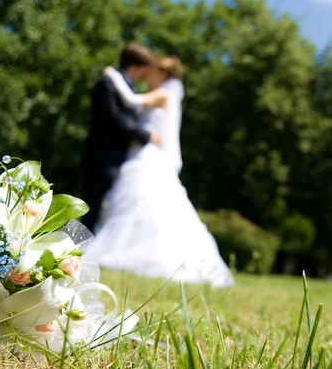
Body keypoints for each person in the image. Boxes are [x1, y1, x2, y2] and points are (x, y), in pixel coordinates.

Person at [83, 56, 234, 288]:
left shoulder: (164, 94)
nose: (147, 75)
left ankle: (146, 256)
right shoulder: (161, 96)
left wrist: (113, 76)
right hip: (138, 157)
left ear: (163, 74)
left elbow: (132, 100)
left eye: (152, 71)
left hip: (150, 158)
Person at [81, 43, 162, 232]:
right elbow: (114, 119)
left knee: (102, 212)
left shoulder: (129, 88)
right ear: (134, 67)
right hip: (101, 159)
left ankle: (89, 255)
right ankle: (74, 254)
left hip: (119, 160)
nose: (143, 75)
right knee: (90, 209)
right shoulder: (106, 84)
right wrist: (146, 135)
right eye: (143, 70)